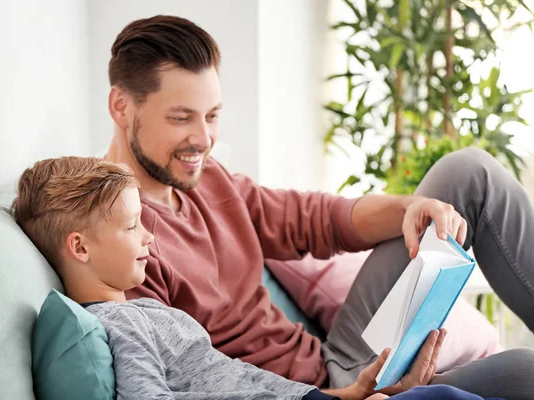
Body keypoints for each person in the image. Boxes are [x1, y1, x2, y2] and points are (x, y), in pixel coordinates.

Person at [102, 14, 534, 400]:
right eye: (181, 118)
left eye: (212, 115)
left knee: (467, 172)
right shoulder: (120, 237)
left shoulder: (207, 177)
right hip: (321, 392)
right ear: (121, 106)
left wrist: (414, 207)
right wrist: (344, 395)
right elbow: (187, 381)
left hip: (336, 355)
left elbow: (314, 219)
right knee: (524, 372)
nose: (203, 138)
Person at [13, 156, 502, 400]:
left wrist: (352, 395)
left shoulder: (147, 312)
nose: (149, 237)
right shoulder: (122, 326)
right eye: (132, 226)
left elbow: (243, 387)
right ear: (79, 247)